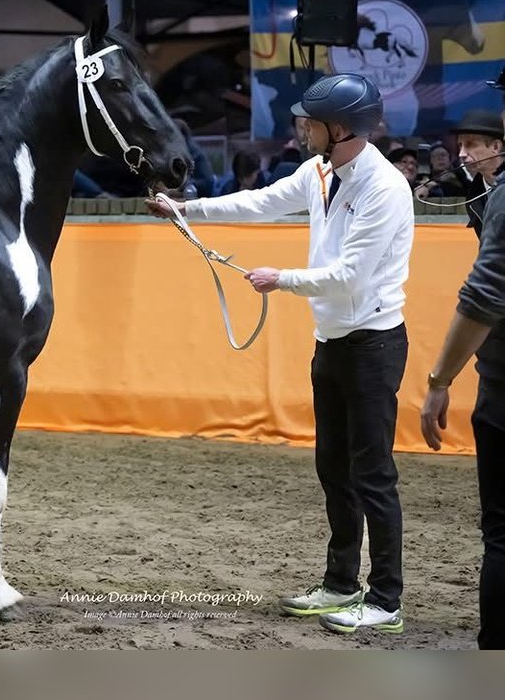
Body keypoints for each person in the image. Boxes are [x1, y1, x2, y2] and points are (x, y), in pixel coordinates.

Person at [147, 73, 414, 635]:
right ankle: (341, 582)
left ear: (339, 128)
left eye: (310, 122)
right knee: (333, 471)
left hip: (374, 346)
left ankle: (386, 599)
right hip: (333, 344)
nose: (302, 129)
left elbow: (350, 276)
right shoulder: (320, 171)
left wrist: (280, 278)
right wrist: (187, 211)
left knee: (373, 475)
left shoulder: (384, 189)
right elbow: (263, 201)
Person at [420, 70, 505, 649]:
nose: (465, 153)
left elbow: (484, 296)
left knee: (500, 531)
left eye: (476, 144)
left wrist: (439, 378)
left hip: (502, 377)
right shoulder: (479, 192)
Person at [449, 109, 505, 237]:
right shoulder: (475, 196)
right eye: (460, 145)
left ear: (496, 147)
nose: (461, 154)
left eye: (470, 144)